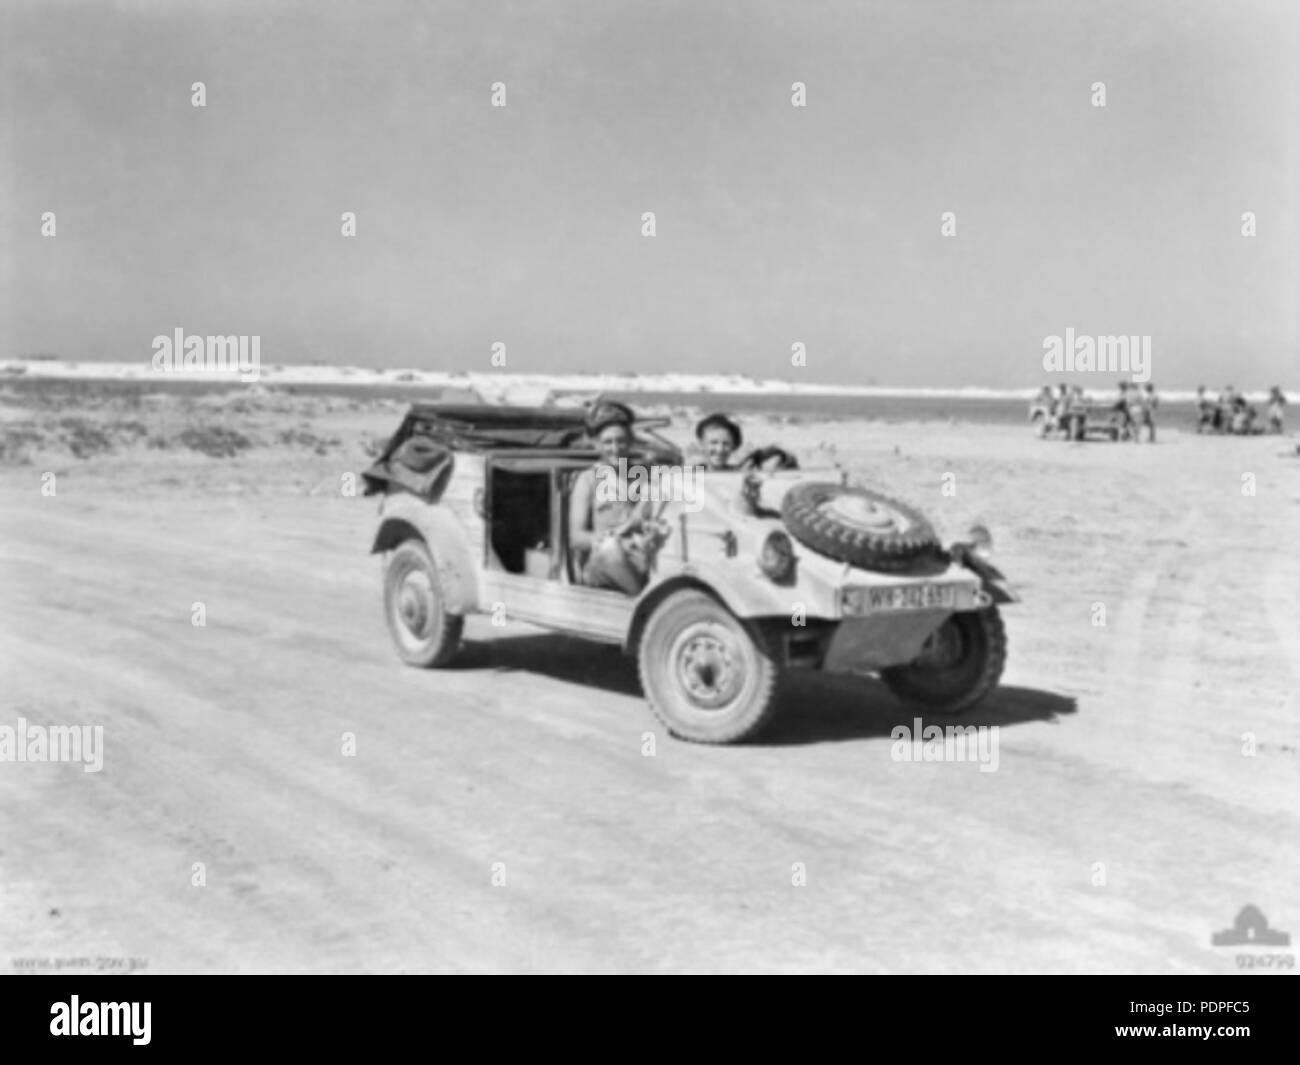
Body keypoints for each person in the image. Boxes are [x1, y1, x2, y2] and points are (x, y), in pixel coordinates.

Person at [568, 403, 663, 592]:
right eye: (608, 442)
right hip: (602, 565)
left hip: (638, 556)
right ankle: (642, 597)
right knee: (609, 549)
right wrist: (614, 536)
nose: (615, 448)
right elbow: (576, 538)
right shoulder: (588, 480)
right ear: (597, 444)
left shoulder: (641, 475)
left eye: (621, 441)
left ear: (630, 442)